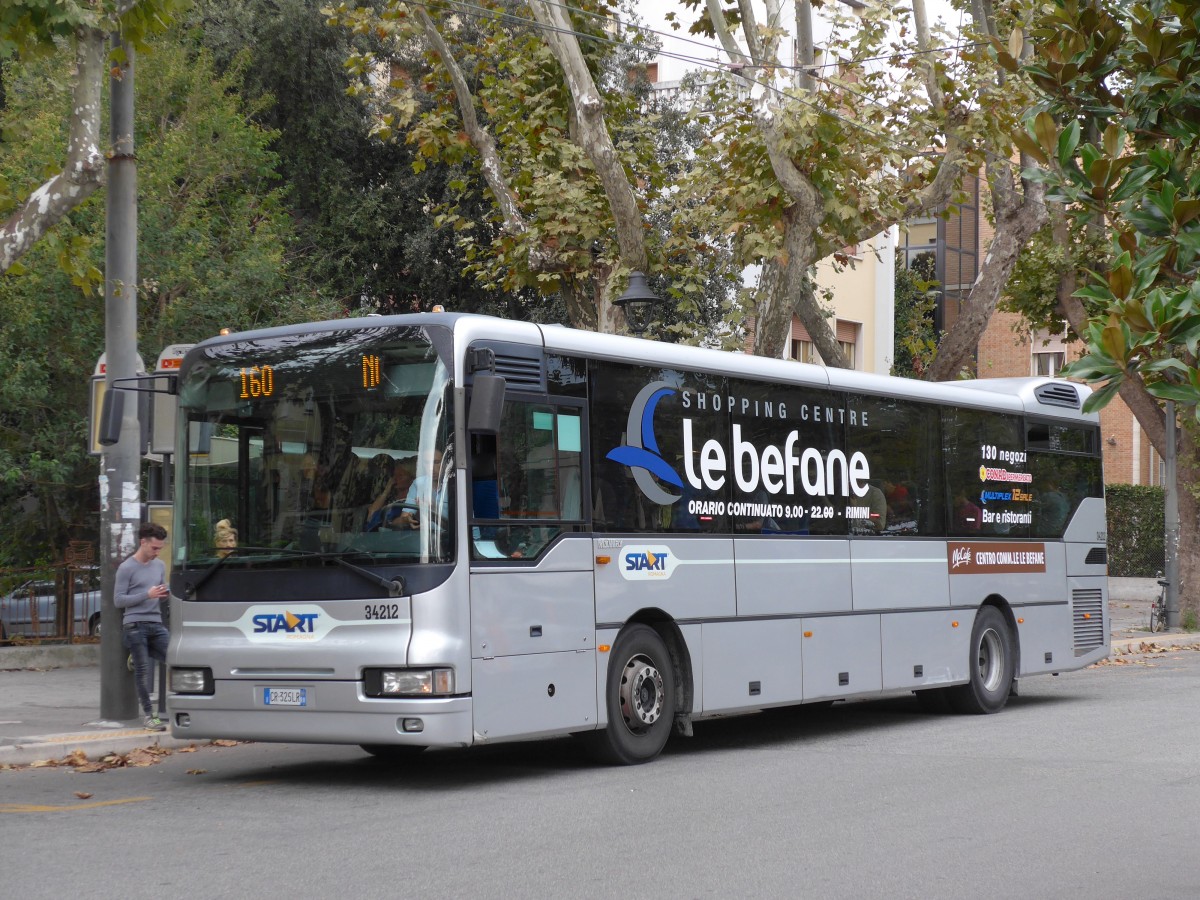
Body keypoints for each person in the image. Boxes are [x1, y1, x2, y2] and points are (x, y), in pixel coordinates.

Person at [115, 522, 170, 731]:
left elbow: (160, 592)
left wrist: (163, 594)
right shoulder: (127, 568)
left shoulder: (160, 566)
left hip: (156, 622)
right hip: (135, 623)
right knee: (143, 670)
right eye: (154, 548)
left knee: (176, 659)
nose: (157, 552)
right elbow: (119, 600)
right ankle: (149, 716)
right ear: (143, 542)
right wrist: (147, 595)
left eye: (160, 548)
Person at [365, 457, 417, 531]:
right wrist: (386, 491)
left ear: (412, 478)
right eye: (394, 475)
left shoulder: (414, 499)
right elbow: (370, 515)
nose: (395, 478)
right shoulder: (391, 496)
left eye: (400, 475)